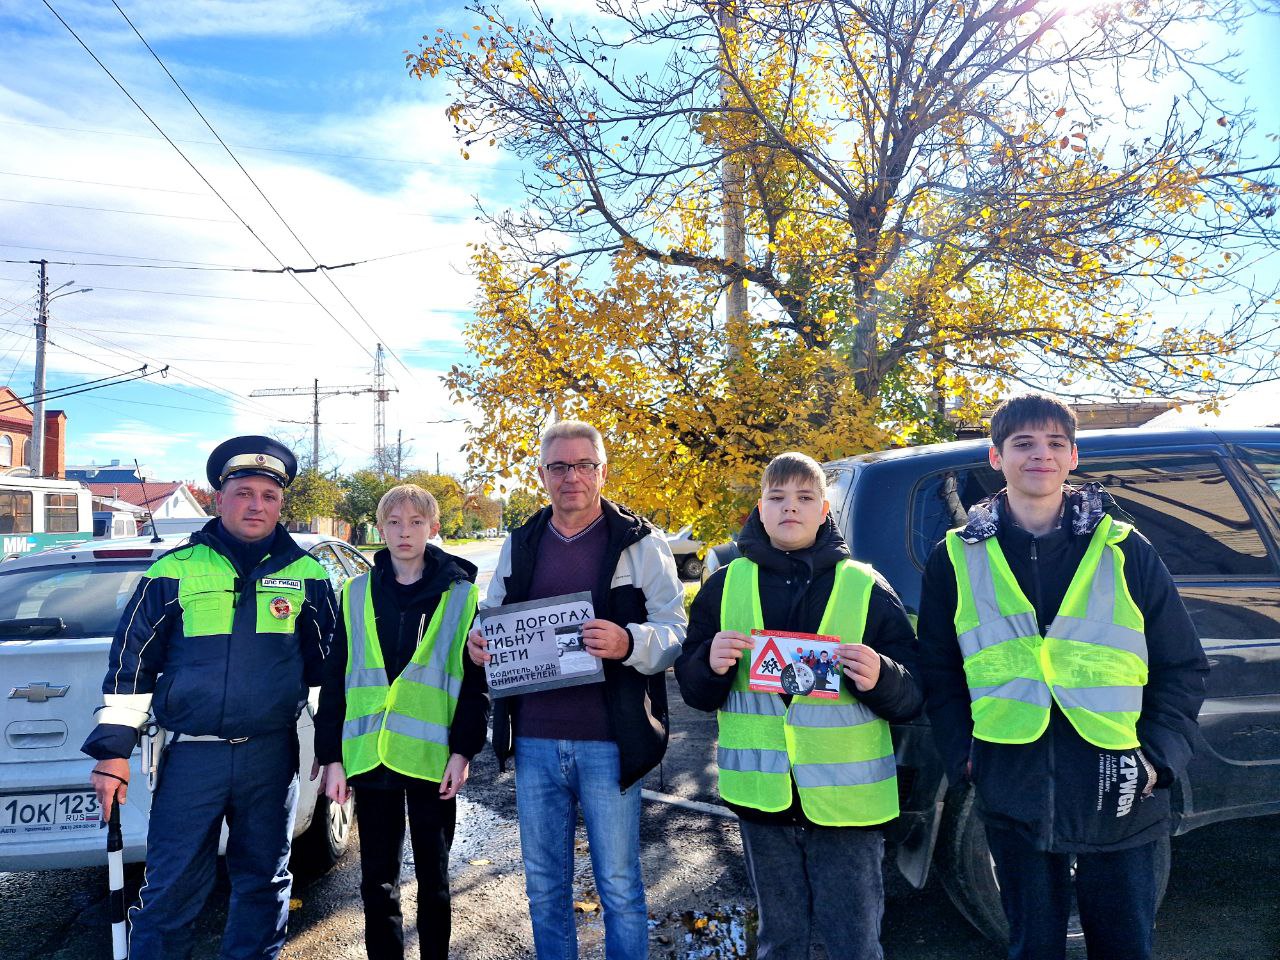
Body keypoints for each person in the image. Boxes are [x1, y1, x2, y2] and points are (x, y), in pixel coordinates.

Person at [916, 394, 1208, 960]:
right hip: (1013, 783)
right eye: (1023, 443)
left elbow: (1182, 667)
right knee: (1032, 948)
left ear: (1073, 456)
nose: (1040, 456)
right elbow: (940, 673)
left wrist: (1159, 758)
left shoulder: (1125, 550)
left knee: (1125, 948)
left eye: (1054, 444)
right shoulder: (955, 557)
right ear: (996, 458)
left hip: (1117, 784)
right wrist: (966, 759)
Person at [83, 436, 337, 960]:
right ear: (219, 498)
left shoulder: (308, 576)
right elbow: (132, 666)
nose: (256, 505)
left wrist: (335, 751)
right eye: (244, 492)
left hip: (271, 755)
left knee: (264, 882)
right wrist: (113, 752)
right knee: (171, 887)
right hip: (192, 756)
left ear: (281, 504)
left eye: (268, 495)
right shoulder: (173, 570)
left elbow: (332, 671)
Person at [674, 451, 921, 960]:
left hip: (847, 809)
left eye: (805, 497)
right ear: (760, 510)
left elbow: (915, 692)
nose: (791, 507)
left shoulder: (865, 586)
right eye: (777, 497)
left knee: (854, 943)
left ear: (825, 508)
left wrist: (882, 676)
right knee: (780, 942)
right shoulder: (725, 585)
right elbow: (695, 690)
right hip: (765, 804)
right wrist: (708, 663)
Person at [466, 420, 686, 960]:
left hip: (611, 741)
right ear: (542, 475)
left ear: (602, 471)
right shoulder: (521, 543)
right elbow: (492, 616)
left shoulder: (641, 544)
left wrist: (628, 641)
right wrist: (480, 642)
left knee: (619, 888)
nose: (572, 477)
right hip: (536, 743)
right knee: (544, 890)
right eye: (559, 466)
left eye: (584, 465)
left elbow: (676, 629)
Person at [312, 484, 488, 960]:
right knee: (378, 884)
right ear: (380, 529)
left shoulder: (462, 595)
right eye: (394, 522)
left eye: (415, 522)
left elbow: (476, 684)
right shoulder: (354, 593)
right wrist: (331, 757)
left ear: (433, 528)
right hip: (370, 761)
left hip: (432, 761)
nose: (404, 532)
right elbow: (336, 680)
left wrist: (464, 751)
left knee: (435, 882)